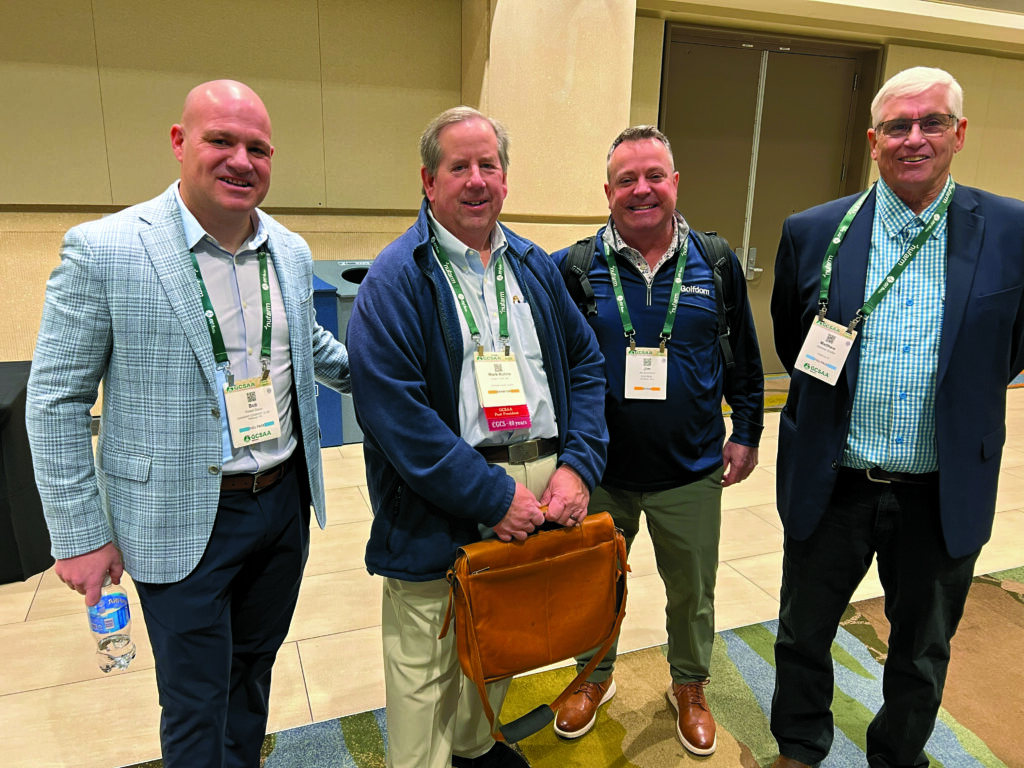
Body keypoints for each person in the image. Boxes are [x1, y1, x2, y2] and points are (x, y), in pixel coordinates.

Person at [26, 80, 350, 768]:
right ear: (180, 142)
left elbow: (312, 349)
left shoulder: (287, 251)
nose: (242, 160)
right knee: (196, 696)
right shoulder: (106, 248)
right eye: (221, 141)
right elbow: (55, 398)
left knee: (252, 671)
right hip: (177, 516)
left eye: (257, 147)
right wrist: (81, 536)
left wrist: (410, 381)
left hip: (282, 505)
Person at [769, 66, 1024, 768]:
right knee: (802, 633)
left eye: (932, 122)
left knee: (921, 646)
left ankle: (896, 755)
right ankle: (799, 746)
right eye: (898, 126)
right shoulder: (814, 230)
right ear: (874, 139)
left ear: (959, 132)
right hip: (836, 480)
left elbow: (1005, 351)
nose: (915, 138)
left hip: (941, 491)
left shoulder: (1012, 230)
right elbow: (798, 344)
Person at [346, 106, 608, 768]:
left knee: (499, 637)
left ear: (506, 178)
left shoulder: (532, 265)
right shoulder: (398, 276)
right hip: (444, 497)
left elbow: (584, 363)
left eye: (487, 165)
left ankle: (474, 745)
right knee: (425, 666)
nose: (475, 180)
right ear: (428, 181)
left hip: (541, 483)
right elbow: (394, 413)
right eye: (458, 166)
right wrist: (491, 496)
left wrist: (578, 464)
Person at [549, 125, 764, 755]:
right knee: (594, 587)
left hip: (691, 469)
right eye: (626, 180)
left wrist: (746, 430)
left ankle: (689, 686)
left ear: (675, 183)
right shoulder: (576, 268)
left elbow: (744, 360)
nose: (641, 190)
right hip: (601, 470)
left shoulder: (715, 262)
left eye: (653, 176)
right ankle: (594, 676)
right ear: (607, 191)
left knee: (692, 592)